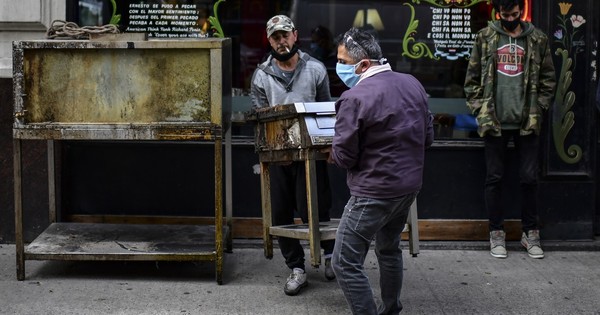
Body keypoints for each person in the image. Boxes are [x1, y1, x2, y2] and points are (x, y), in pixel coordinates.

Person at [327, 27, 433, 314]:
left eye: (342, 61)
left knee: (343, 261)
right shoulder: (412, 83)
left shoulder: (354, 98)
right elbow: (428, 138)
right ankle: (391, 309)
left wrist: (334, 153)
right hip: (408, 188)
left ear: (363, 65)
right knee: (388, 250)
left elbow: (345, 156)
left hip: (372, 192)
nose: (339, 67)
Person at [250, 14, 335, 296]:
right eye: (276, 37)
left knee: (316, 207)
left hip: (311, 153)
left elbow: (326, 110)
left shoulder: (316, 69)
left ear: (295, 35)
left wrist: (328, 146)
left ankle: (330, 257)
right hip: (278, 154)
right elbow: (259, 118)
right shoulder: (261, 75)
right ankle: (296, 268)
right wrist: (265, 154)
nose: (281, 41)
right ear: (269, 40)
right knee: (281, 213)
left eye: (285, 35)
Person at [464, 0, 556, 259]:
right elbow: (471, 80)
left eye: (515, 14)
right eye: (506, 15)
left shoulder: (537, 39)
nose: (510, 18)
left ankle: (531, 233)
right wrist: (480, 110)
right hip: (494, 121)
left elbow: (549, 78)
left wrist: (539, 107)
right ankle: (496, 234)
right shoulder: (485, 37)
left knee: (529, 179)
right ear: (498, 13)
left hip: (528, 121)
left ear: (521, 12)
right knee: (494, 179)